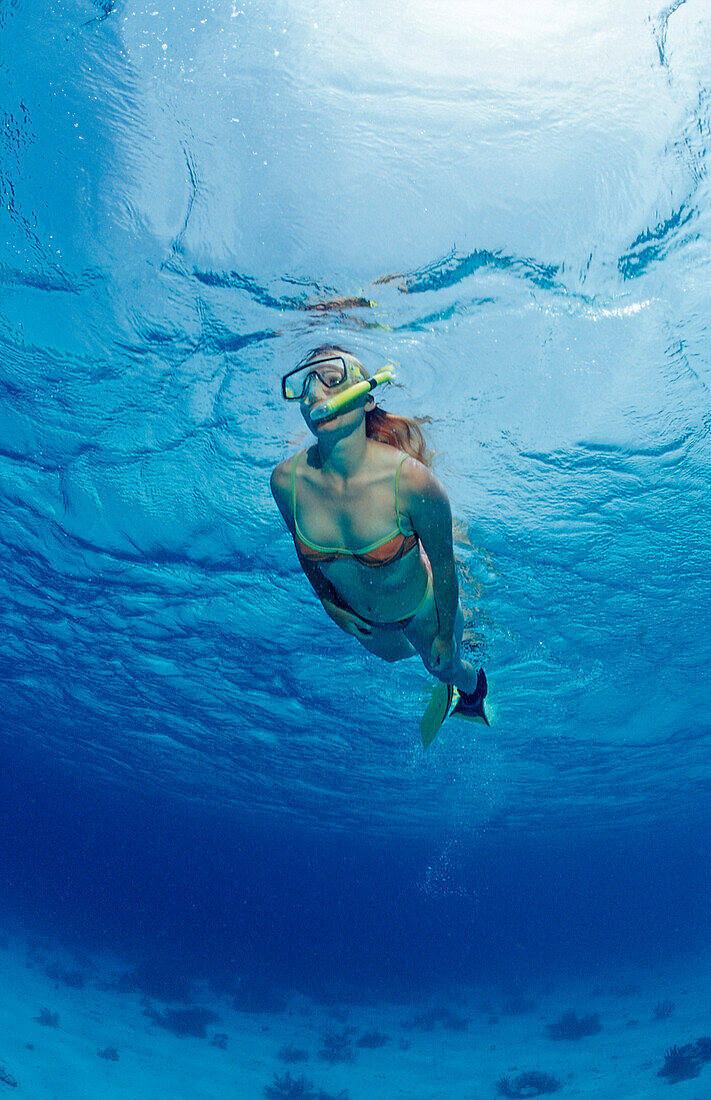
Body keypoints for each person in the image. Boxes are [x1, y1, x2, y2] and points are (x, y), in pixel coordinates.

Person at [270, 345, 489, 745]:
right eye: (305, 386)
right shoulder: (285, 483)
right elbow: (306, 557)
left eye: (332, 380)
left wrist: (444, 638)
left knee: (445, 668)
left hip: (424, 613)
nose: (315, 394)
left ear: (367, 398)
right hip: (373, 631)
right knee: (401, 657)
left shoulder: (411, 481)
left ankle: (471, 692)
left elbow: (443, 567)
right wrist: (329, 604)